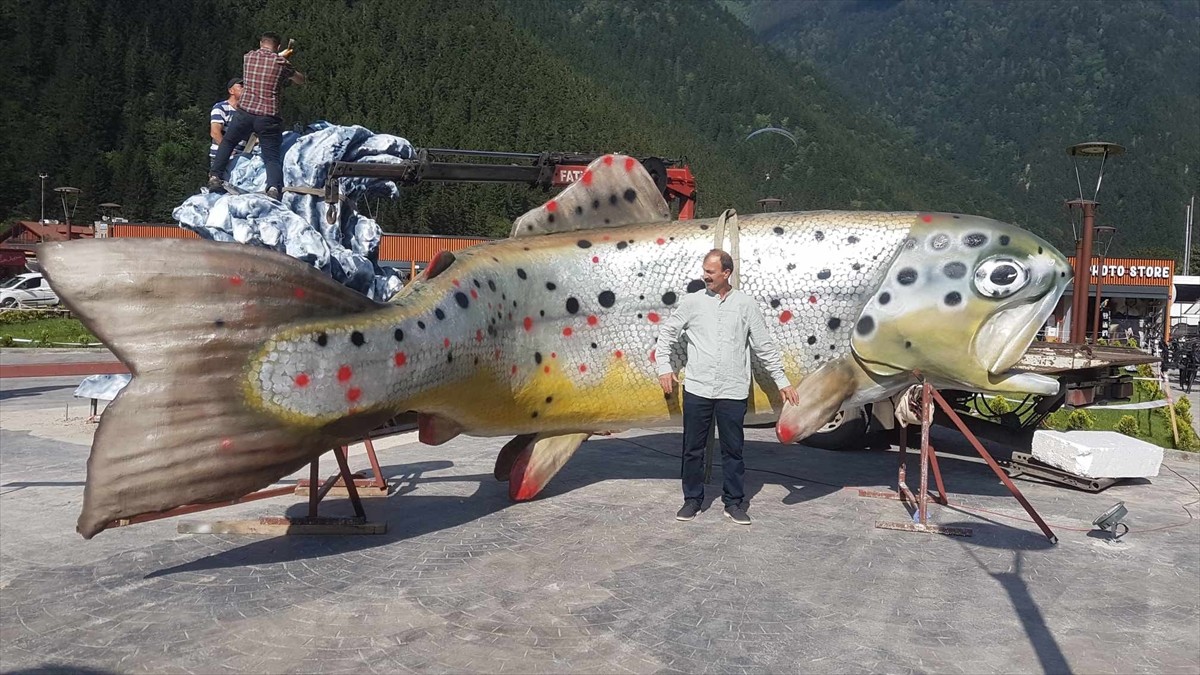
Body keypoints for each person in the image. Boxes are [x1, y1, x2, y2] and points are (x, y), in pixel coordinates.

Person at [655, 249, 799, 525]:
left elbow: (763, 345)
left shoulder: (745, 304)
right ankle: (692, 500)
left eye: (710, 272)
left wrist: (782, 381)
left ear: (726, 273)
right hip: (697, 388)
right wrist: (664, 367)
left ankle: (733, 502)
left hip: (732, 390)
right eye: (704, 270)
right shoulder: (693, 302)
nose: (705, 276)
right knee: (692, 449)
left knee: (733, 450)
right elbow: (668, 333)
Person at [208, 32, 305, 200]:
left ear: (261, 43)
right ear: (278, 46)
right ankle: (273, 188)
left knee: (228, 142)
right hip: (268, 116)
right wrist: (286, 62)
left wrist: (278, 55)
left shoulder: (249, 57)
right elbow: (300, 80)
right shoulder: (281, 64)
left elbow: (265, 57)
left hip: (245, 112)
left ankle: (215, 176)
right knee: (271, 156)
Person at [209, 78, 245, 160]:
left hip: (241, 157)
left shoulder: (246, 111)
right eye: (241, 86)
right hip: (222, 156)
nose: (245, 89)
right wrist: (227, 150)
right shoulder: (221, 107)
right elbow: (215, 132)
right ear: (231, 91)